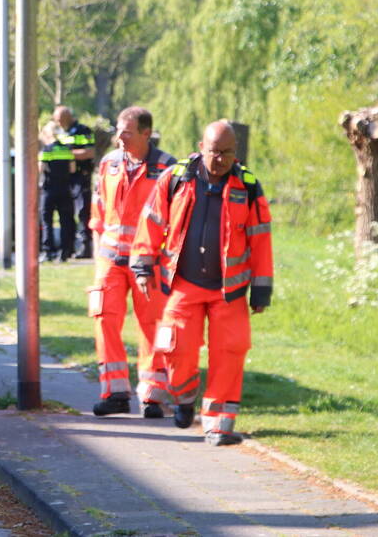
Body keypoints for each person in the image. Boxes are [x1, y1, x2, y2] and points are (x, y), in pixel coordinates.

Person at [130, 120, 273, 446]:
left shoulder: (248, 186)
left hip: (229, 291)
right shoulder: (177, 178)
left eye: (227, 153)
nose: (220, 159)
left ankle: (219, 426)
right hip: (184, 285)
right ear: (200, 148)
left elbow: (261, 239)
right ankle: (183, 398)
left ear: (236, 152)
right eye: (214, 151)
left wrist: (261, 289)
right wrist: (142, 266)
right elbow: (151, 222)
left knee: (230, 354)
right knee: (175, 349)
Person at [89, 107, 176, 418]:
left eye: (126, 132)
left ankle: (153, 395)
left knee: (153, 325)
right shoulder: (109, 164)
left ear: (145, 133)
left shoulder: (168, 169)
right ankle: (114, 392)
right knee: (104, 318)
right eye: (118, 130)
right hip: (110, 259)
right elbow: (98, 212)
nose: (119, 138)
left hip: (149, 261)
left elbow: (176, 220)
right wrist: (98, 255)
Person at [53, 106, 96, 258]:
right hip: (65, 178)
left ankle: (86, 247)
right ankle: (68, 247)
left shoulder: (83, 130)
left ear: (68, 117)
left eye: (60, 119)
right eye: (57, 120)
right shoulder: (60, 132)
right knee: (66, 214)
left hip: (80, 177)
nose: (58, 123)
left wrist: (66, 154)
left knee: (83, 212)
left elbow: (90, 152)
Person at [38, 118, 75, 262]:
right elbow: (72, 169)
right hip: (65, 189)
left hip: (49, 189)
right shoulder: (67, 149)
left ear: (47, 134)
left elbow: (40, 169)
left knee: (47, 221)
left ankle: (48, 251)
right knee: (65, 221)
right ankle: (64, 252)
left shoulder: (46, 150)